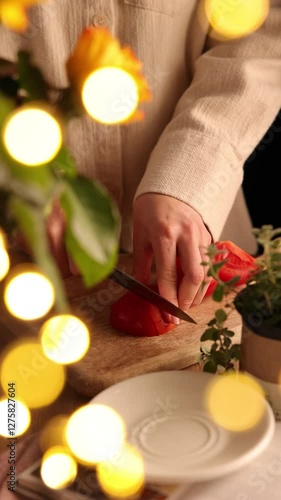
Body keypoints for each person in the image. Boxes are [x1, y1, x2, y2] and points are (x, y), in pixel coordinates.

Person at [0, 0, 281, 323]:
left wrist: (190, 174)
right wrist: (17, 179)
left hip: (203, 224)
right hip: (17, 265)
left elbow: (262, 21)